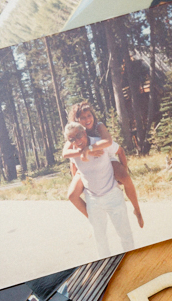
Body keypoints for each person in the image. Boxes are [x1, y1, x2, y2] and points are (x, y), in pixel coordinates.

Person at [62, 102, 144, 229]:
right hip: (85, 162)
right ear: (77, 120)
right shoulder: (75, 133)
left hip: (106, 156)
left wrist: (124, 170)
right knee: (72, 194)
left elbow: (112, 144)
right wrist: (84, 152)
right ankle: (94, 220)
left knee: (126, 178)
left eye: (89, 115)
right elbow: (66, 154)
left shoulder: (98, 126)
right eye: (82, 118)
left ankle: (137, 210)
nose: (87, 119)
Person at [65, 122, 137, 257]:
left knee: (125, 235)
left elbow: (120, 150)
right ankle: (107, 268)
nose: (77, 140)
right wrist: (84, 152)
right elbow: (72, 164)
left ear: (85, 132)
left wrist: (123, 171)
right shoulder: (74, 152)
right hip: (93, 200)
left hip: (112, 195)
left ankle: (133, 261)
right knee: (100, 240)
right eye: (72, 139)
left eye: (79, 135)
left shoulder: (101, 143)